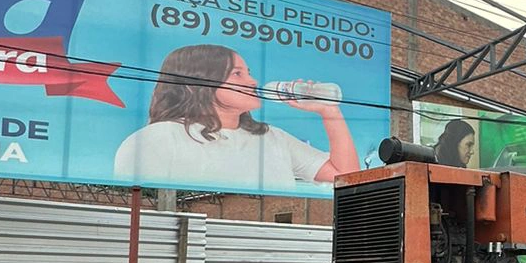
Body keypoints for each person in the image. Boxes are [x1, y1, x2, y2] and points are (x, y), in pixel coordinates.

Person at [114, 44, 359, 189]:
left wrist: (330, 112)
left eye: (248, 73)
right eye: (237, 74)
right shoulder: (156, 139)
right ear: (199, 82)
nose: (252, 81)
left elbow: (348, 177)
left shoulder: (272, 138)